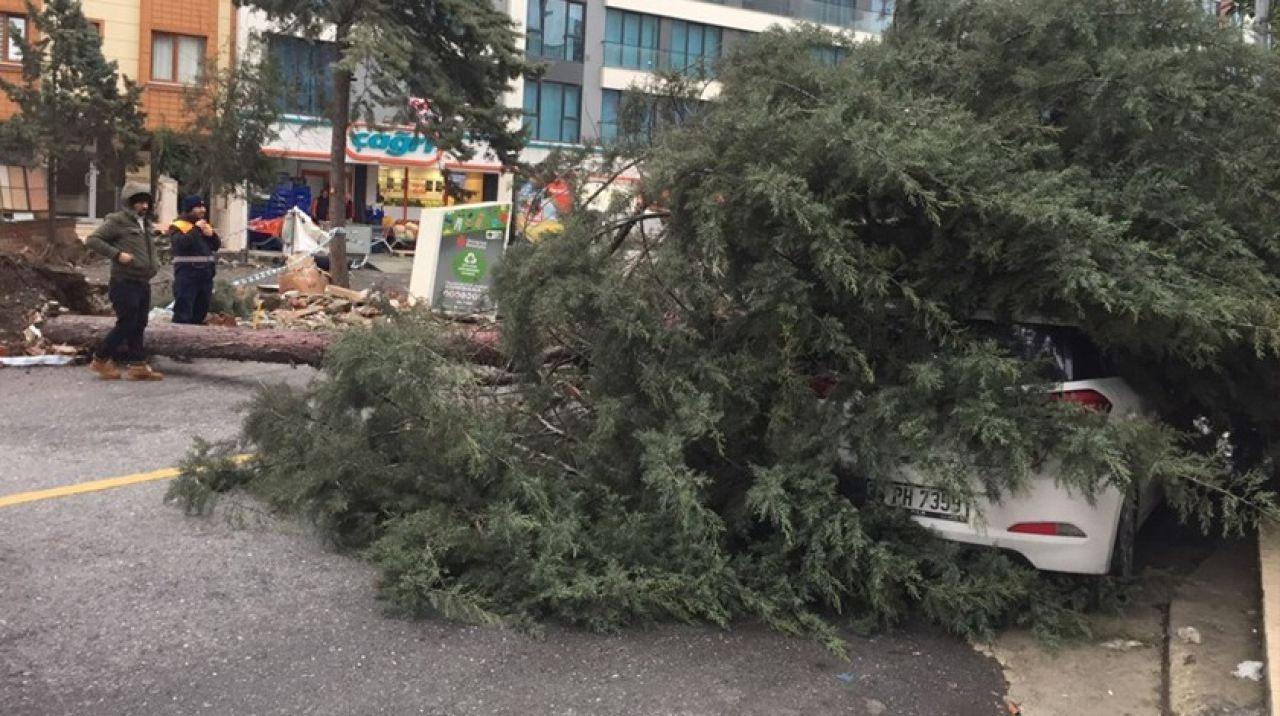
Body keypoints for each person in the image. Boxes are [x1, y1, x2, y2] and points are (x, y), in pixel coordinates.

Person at [84, 182, 163, 381]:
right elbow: (93, 240)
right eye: (139, 202)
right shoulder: (117, 221)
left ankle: (137, 365)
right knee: (127, 322)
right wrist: (117, 255)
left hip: (142, 281)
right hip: (124, 280)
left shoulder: (145, 223)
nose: (144, 206)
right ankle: (100, 359)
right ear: (129, 203)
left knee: (140, 323)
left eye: (146, 202)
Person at [170, 195, 221, 326]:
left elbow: (215, 246)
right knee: (184, 311)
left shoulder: (203, 225)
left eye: (203, 206)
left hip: (205, 274)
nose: (203, 210)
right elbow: (180, 244)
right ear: (189, 209)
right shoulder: (179, 225)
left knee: (200, 310)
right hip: (187, 274)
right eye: (198, 207)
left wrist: (212, 235)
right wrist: (196, 230)